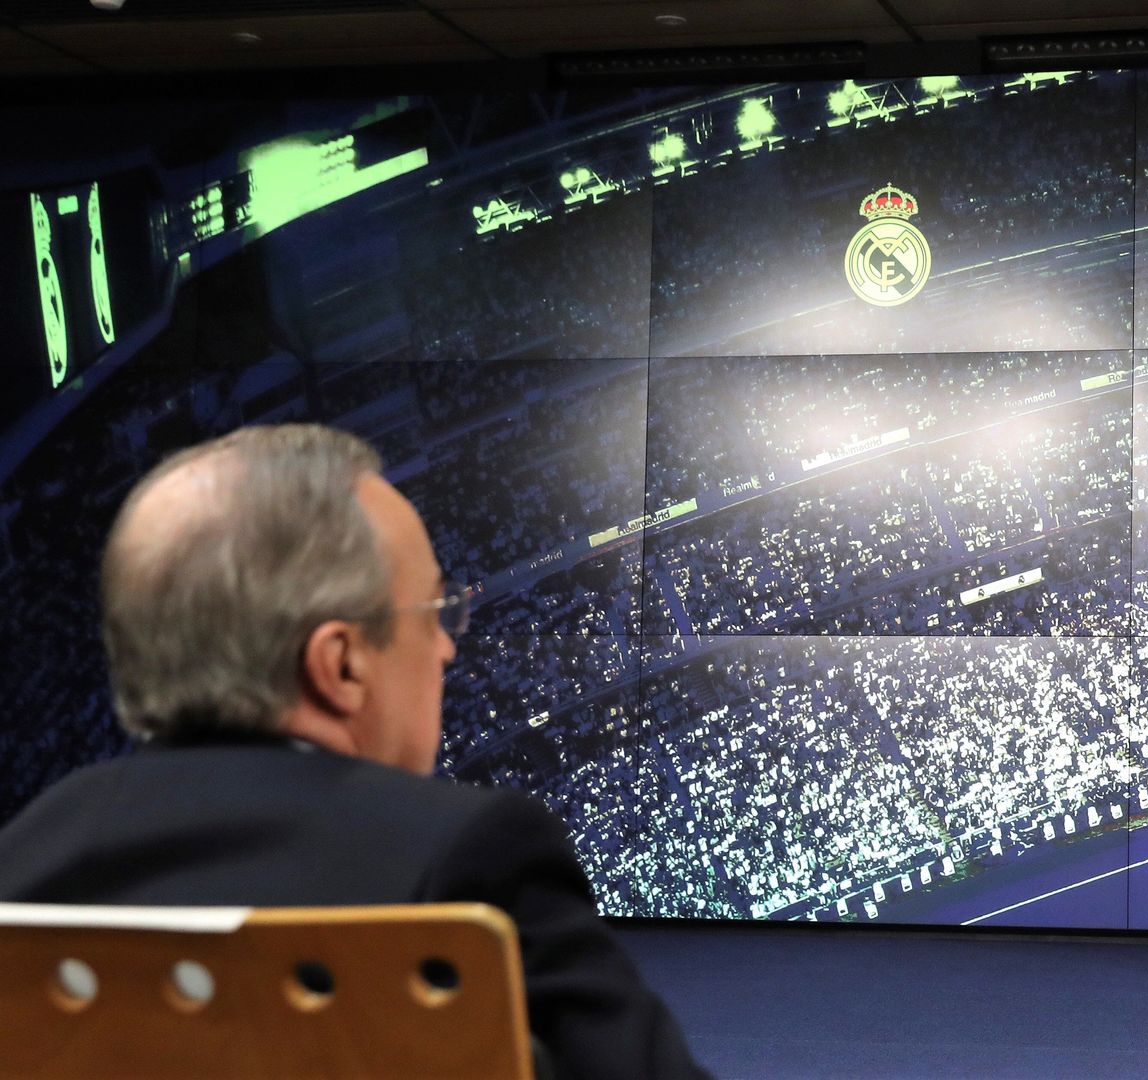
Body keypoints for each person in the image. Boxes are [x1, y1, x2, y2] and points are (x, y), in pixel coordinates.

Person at [0, 424, 709, 1080]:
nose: (447, 647)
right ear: (340, 664)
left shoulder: (25, 857)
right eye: (437, 611)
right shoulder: (468, 855)